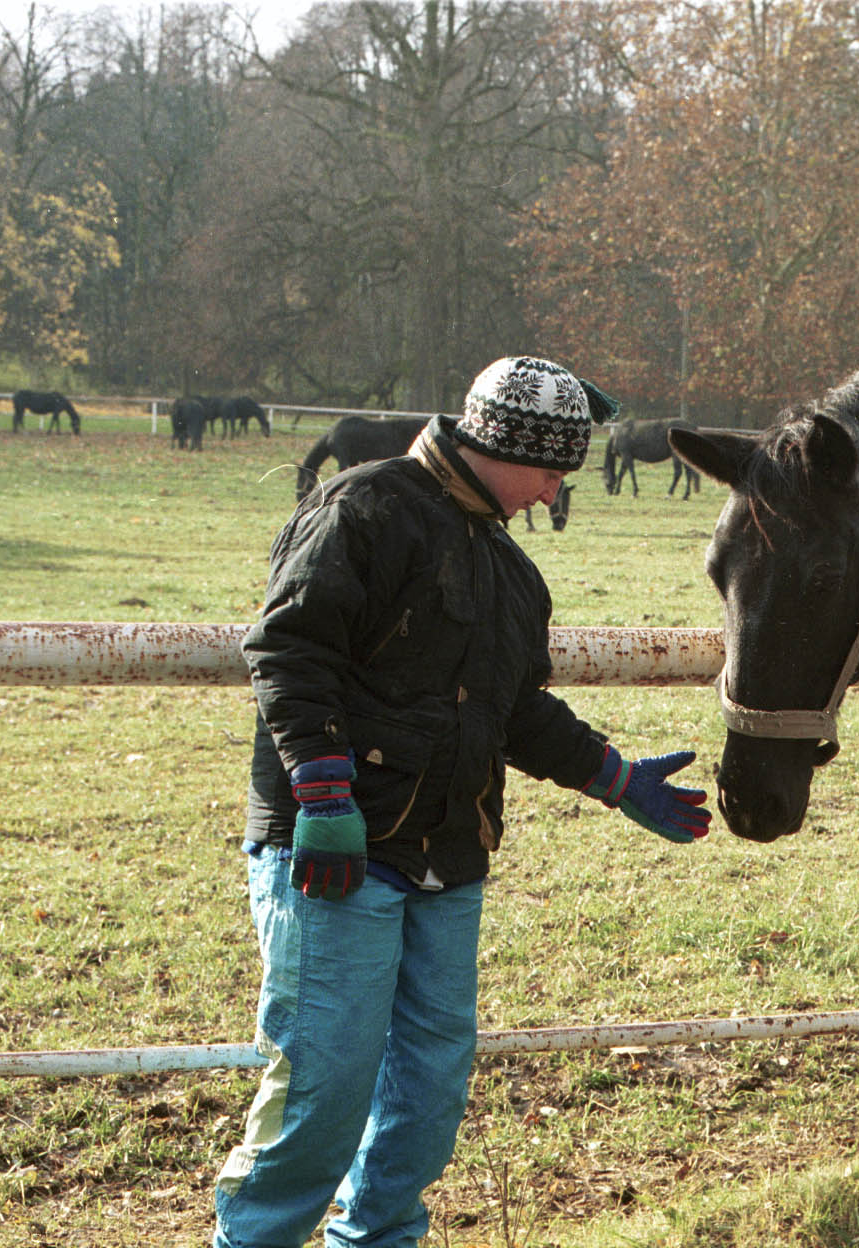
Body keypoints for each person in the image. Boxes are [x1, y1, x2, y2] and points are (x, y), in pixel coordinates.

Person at [214, 355, 712, 1248]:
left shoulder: (513, 573)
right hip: (336, 850)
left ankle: (381, 1240)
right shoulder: (361, 509)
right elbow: (290, 652)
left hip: (451, 854)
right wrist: (323, 792)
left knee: (430, 1087)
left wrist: (613, 776)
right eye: (555, 466)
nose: (558, 487)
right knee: (325, 1083)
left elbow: (514, 709)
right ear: (506, 444)